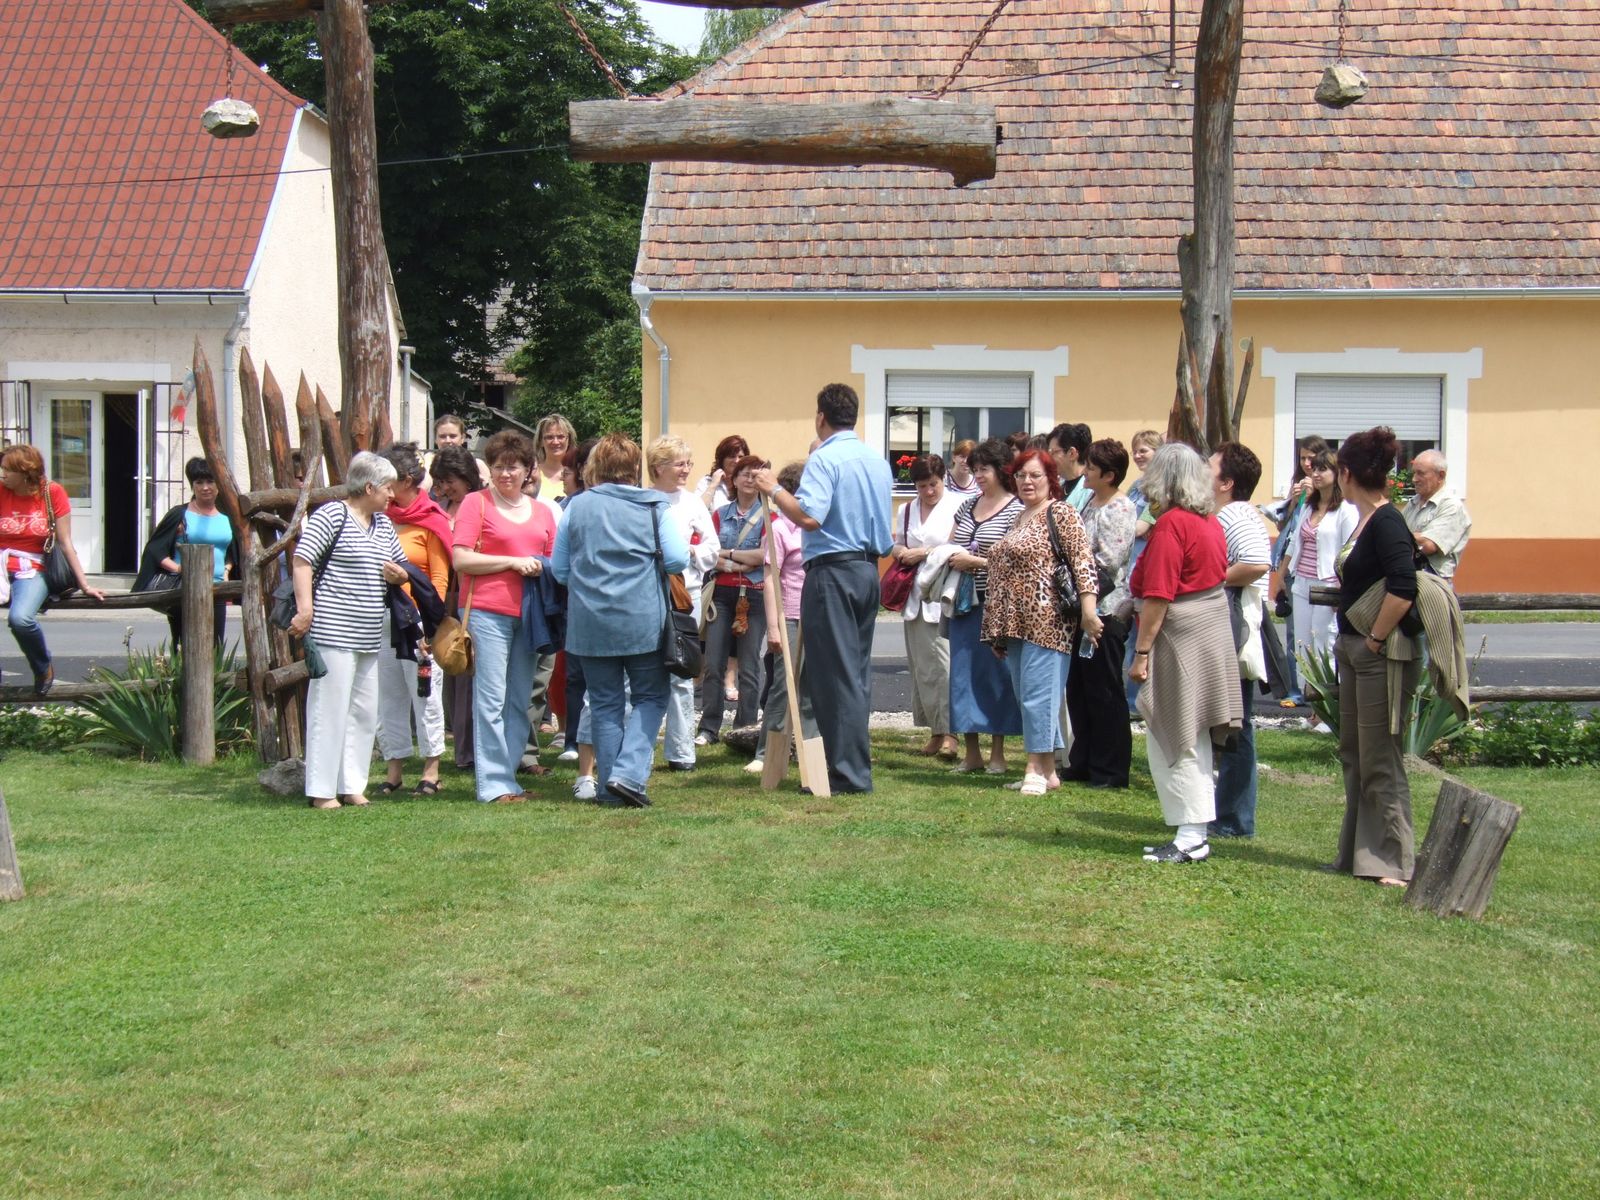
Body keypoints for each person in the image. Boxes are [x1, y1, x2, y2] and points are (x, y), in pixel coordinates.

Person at [755, 383, 893, 794]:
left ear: (821, 417)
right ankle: (850, 767)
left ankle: (847, 774)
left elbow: (809, 516)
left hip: (833, 572)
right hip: (867, 570)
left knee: (833, 677)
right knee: (855, 675)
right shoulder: (876, 460)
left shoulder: (824, 457)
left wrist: (773, 489)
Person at [551, 434, 689, 808]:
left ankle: (611, 791)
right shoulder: (654, 506)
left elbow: (560, 570)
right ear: (634, 468)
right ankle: (627, 775)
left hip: (590, 622)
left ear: (595, 467)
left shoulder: (575, 507)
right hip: (643, 621)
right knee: (651, 697)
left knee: (604, 703)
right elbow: (677, 559)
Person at [1127, 443, 1243, 864]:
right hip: (1206, 628)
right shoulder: (1207, 520)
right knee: (1191, 733)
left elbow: (1159, 594)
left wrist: (1142, 652)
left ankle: (1192, 835)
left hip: (1180, 634)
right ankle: (1191, 831)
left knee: (1176, 731)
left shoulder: (1173, 524)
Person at [289, 452, 411, 809]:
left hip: (369, 634)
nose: (392, 495)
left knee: (363, 712)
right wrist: (306, 609)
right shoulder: (332, 515)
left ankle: (352, 785)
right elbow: (302, 560)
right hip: (333, 631)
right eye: (388, 488)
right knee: (329, 709)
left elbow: (400, 567)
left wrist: (399, 575)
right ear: (369, 487)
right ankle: (322, 791)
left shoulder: (383, 524)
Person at [1331, 426, 1421, 887]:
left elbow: (1403, 587)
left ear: (1346, 473)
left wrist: (1375, 638)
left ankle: (1394, 861)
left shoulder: (1388, 522)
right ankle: (1357, 854)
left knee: (1380, 756)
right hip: (1353, 649)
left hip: (1377, 654)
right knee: (1355, 753)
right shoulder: (1365, 520)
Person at [981, 450, 1101, 796]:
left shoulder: (1060, 512)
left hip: (1048, 620)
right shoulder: (1019, 517)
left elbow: (1083, 562)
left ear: (1051, 479)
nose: (1027, 482)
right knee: (1027, 696)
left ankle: (1034, 767)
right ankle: (1048, 770)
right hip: (1015, 624)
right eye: (1021, 475)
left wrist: (1089, 612)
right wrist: (997, 631)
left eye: (1035, 475)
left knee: (1038, 695)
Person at [451, 430, 558, 804]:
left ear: (528, 470)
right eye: (498, 467)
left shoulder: (543, 512)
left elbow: (553, 563)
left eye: (513, 467)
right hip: (487, 612)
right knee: (491, 699)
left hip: (530, 615)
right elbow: (461, 558)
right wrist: (512, 562)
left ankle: (508, 777)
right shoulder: (475, 504)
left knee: (520, 700)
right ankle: (493, 785)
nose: (505, 474)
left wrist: (540, 566)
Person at [373, 443, 452, 798]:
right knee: (388, 694)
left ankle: (431, 769)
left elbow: (439, 579)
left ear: (405, 480)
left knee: (425, 693)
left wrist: (430, 625)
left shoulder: (432, 519)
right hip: (382, 617)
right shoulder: (379, 516)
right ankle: (394, 769)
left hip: (417, 620)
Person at [943, 438, 1024, 775]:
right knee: (962, 677)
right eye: (974, 469)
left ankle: (998, 755)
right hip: (964, 604)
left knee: (996, 677)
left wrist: (975, 562)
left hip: (996, 605)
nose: (977, 475)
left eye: (984, 469)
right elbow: (950, 544)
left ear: (1001, 470)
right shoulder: (967, 506)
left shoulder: (1017, 510)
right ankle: (972, 753)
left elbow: (1017, 561)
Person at [1, 444, 106, 695]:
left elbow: (65, 542)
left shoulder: (52, 492)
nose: (2, 474)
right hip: (2, 564)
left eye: (7, 469)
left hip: (33, 567)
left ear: (25, 472)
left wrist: (84, 584)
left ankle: (42, 667)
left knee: (21, 619)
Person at [1209, 442, 1273, 839]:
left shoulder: (1235, 514)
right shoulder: (1226, 513)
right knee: (1231, 721)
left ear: (1227, 483)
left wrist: (1208, 579)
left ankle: (1234, 819)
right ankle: (1226, 813)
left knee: (1237, 723)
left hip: (1236, 627)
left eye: (1210, 468)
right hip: (1229, 624)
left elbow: (1256, 563)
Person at [1065, 439, 1137, 788]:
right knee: (1079, 688)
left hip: (1105, 611)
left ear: (1109, 475)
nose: (1086, 472)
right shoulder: (1090, 502)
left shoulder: (1119, 509)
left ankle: (1110, 769)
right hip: (1082, 607)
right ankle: (1083, 760)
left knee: (1104, 690)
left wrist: (1086, 600)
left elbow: (1108, 563)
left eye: (1092, 468)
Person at [647, 435, 719, 772]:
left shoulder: (692, 504)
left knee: (682, 670)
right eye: (679, 464)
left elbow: (712, 549)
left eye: (688, 463)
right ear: (658, 466)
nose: (686, 469)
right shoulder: (644, 500)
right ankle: (641, 750)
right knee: (644, 673)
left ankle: (680, 751)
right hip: (646, 594)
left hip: (684, 596)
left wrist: (687, 551)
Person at [890, 454, 964, 758]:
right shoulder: (907, 509)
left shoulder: (959, 505)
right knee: (921, 667)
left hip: (943, 592)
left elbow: (958, 545)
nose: (929, 491)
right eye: (922, 486)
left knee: (944, 667)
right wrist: (902, 552)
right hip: (915, 595)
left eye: (933, 484)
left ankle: (951, 732)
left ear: (943, 479)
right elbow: (897, 543)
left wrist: (924, 552)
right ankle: (934, 729)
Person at [697, 455, 770, 745]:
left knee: (749, 666)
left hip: (755, 595)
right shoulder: (719, 514)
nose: (750, 479)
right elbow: (709, 553)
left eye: (755, 475)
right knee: (713, 664)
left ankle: (744, 727)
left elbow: (764, 555)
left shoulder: (769, 516)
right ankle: (708, 728)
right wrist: (736, 561)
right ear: (734, 479)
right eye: (744, 474)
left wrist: (727, 554)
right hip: (722, 596)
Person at [752, 460, 820, 774]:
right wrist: (774, 628)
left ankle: (809, 750)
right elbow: (770, 579)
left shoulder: (813, 527)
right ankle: (766, 752)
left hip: (814, 614)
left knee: (811, 687)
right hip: (789, 615)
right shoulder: (778, 529)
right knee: (783, 685)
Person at [133, 456, 236, 649]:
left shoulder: (228, 517)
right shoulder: (180, 514)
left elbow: (231, 551)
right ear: (192, 486)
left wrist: (227, 570)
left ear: (218, 484)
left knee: (215, 647)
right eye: (199, 482)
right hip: (185, 589)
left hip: (217, 589)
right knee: (184, 646)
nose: (205, 487)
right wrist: (179, 568)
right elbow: (155, 550)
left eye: (210, 481)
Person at [428, 444, 483, 772]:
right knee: (453, 673)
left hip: (473, 595)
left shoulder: (481, 504)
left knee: (472, 673)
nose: (446, 487)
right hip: (443, 599)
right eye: (441, 481)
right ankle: (462, 749)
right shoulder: (439, 509)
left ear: (467, 477)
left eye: (451, 480)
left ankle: (476, 749)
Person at [1269, 435, 1330, 706]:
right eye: (1303, 458)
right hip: (1294, 567)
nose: (1307, 464)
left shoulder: (1329, 497)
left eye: (1312, 460)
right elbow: (1285, 530)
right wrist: (1293, 502)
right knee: (1296, 632)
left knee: (1323, 634)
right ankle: (1297, 688)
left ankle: (1321, 691)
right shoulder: (1299, 489)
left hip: (1321, 574)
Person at [1289, 448, 1357, 665]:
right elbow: (1294, 542)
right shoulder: (1309, 506)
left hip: (1328, 584)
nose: (1316, 474)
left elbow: (1350, 551)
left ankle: (1324, 686)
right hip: (1301, 582)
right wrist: (1282, 575)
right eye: (1315, 469)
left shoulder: (1346, 509)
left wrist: (1341, 586)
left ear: (1337, 473)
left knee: (1323, 641)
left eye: (1323, 469)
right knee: (1302, 644)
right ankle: (1304, 684)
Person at [1122, 430, 1164, 713]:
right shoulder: (1136, 486)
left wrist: (1115, 527)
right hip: (1129, 569)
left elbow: (1140, 527)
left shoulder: (1159, 489)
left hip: (1146, 568)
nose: (1138, 456)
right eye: (1135, 451)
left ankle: (1137, 702)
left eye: (1144, 450)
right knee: (1129, 640)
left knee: (1141, 640)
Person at [1403, 449, 1471, 583]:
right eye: (1414, 473)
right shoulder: (1413, 503)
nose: (1414, 479)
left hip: (1434, 583)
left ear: (1440, 475)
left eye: (1421, 473)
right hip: (1409, 579)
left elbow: (1428, 545)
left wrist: (1398, 536)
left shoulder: (1452, 506)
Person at [423, 413, 489, 493]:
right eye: (442, 436)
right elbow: (423, 489)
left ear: (462, 438)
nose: (448, 441)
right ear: (435, 440)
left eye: (452, 436)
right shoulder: (428, 462)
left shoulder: (477, 464)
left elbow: (491, 493)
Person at [1046, 423, 1093, 512]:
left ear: (1072, 453)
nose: (1049, 458)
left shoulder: (1090, 490)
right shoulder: (1058, 485)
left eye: (1053, 453)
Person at [697, 434, 750, 513]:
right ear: (722, 459)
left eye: (740, 457)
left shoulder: (749, 483)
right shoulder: (707, 482)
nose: (736, 461)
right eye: (732, 456)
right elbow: (697, 511)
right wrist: (713, 485)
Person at [533, 414, 576, 501]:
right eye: (549, 437)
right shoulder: (532, 474)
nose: (555, 442)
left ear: (569, 440)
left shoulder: (577, 475)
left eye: (560, 437)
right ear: (541, 441)